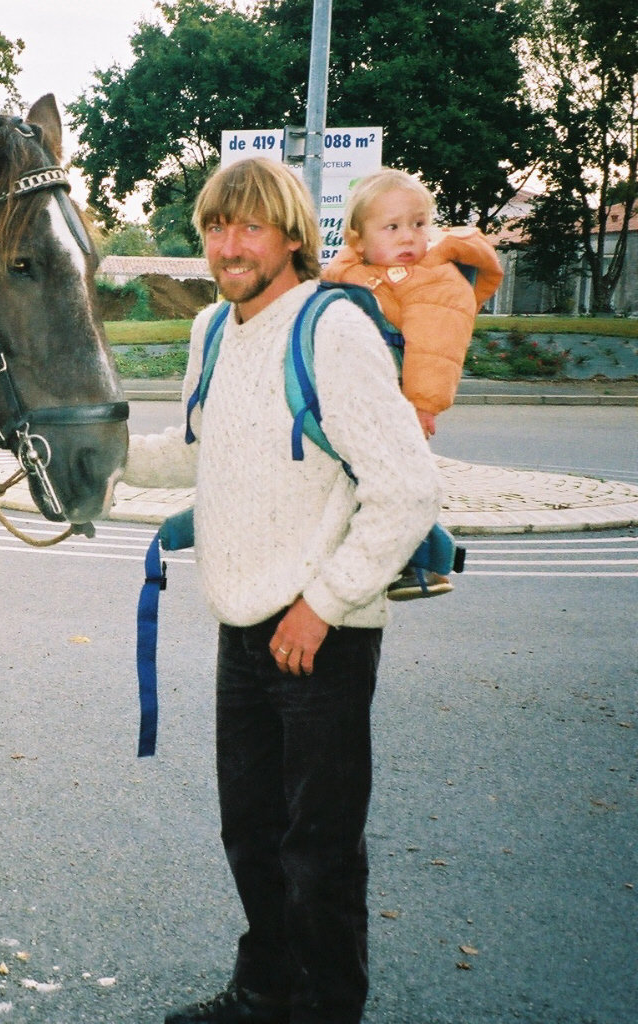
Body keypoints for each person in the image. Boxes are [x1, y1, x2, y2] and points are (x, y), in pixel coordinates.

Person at [121, 158, 441, 1024]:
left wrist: (323, 604)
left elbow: (407, 488)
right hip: (239, 619)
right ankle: (267, 990)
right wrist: (94, 452)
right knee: (251, 835)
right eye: (217, 228)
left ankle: (327, 1008)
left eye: (250, 227)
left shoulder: (332, 329)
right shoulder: (213, 334)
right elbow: (194, 453)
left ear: (292, 236)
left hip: (321, 630)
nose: (229, 246)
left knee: (320, 851)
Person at [321, 168, 503, 600]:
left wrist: (421, 405)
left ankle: (423, 562)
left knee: (397, 483)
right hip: (357, 399)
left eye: (419, 225)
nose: (408, 237)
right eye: (393, 227)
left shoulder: (435, 280)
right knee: (360, 480)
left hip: (402, 402)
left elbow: (436, 348)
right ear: (358, 239)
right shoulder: (350, 267)